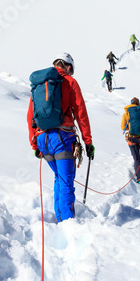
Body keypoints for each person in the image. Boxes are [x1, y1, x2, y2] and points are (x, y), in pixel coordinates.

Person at [28, 52, 94, 222]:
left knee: (59, 178)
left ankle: (61, 221)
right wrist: (88, 141)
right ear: (68, 66)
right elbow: (81, 113)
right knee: (66, 182)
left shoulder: (40, 85)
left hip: (43, 140)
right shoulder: (69, 82)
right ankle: (67, 225)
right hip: (62, 138)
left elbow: (31, 117)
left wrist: (34, 144)